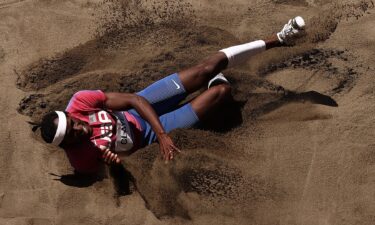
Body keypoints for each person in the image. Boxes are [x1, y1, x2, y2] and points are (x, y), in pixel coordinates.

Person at [35, 17, 306, 174]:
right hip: (149, 136)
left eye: (74, 123)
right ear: (67, 146)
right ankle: (215, 83)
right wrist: (115, 164)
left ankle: (279, 38)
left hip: (144, 105)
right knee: (222, 91)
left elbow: (133, 100)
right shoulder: (81, 159)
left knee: (205, 68)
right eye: (73, 134)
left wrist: (164, 135)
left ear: (70, 115)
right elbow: (113, 174)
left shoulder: (81, 102)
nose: (80, 129)